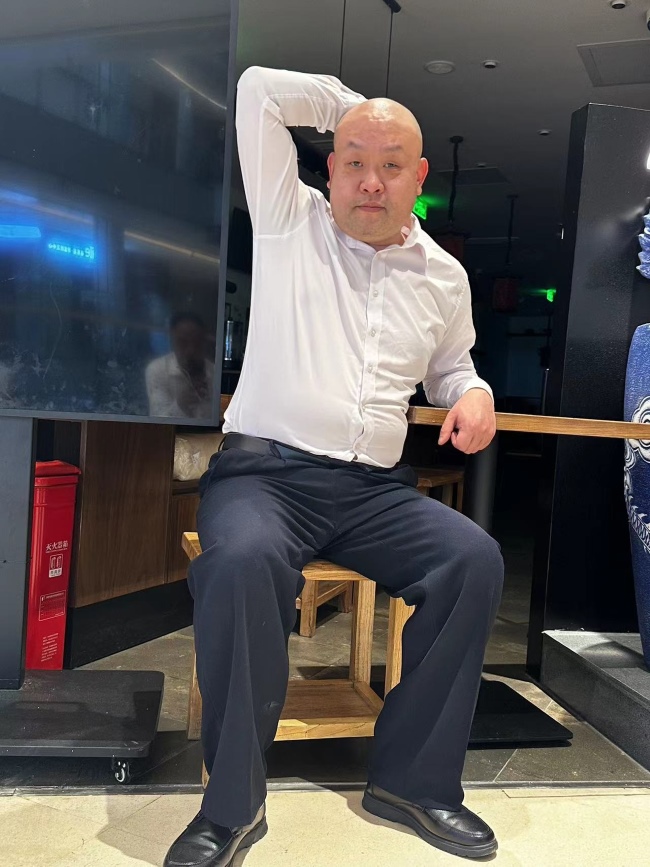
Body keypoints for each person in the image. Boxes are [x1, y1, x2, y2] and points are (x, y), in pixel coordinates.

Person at [164, 66, 504, 867]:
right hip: (265, 479)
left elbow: (453, 367)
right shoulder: (290, 220)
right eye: (353, 160)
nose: (370, 180)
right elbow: (257, 89)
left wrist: (475, 391)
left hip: (373, 491)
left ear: (419, 177)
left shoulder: (444, 277)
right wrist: (362, 112)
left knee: (473, 558)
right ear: (329, 171)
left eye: (391, 163)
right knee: (241, 562)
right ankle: (232, 804)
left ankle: (411, 782)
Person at [146, 312, 215, 419]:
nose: (190, 350)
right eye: (183, 342)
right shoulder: (157, 370)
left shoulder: (214, 372)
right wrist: (181, 405)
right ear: (172, 342)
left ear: (204, 342)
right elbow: (157, 419)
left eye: (197, 343)